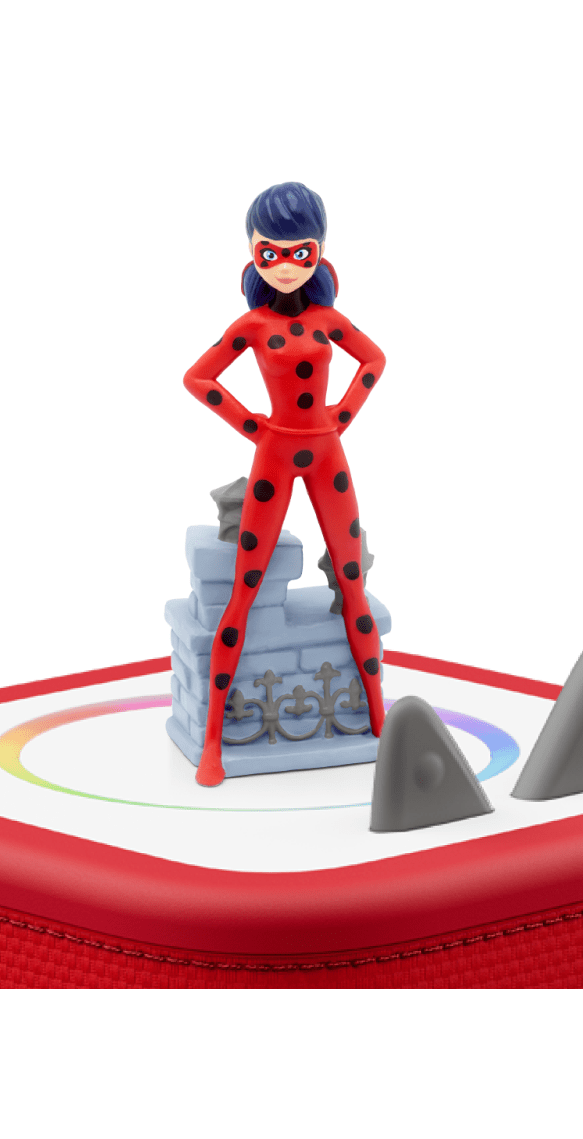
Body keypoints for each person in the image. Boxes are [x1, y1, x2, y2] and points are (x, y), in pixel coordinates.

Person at [183, 182, 386, 786]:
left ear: (320, 252)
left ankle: (380, 719)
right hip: (274, 455)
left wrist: (341, 416)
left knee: (352, 581)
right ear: (253, 253)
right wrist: (253, 427)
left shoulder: (328, 321)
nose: (287, 265)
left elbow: (374, 360)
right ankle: (214, 740)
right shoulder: (251, 325)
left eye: (301, 253)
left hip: (327, 455)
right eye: (270, 253)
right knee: (243, 591)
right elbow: (198, 378)